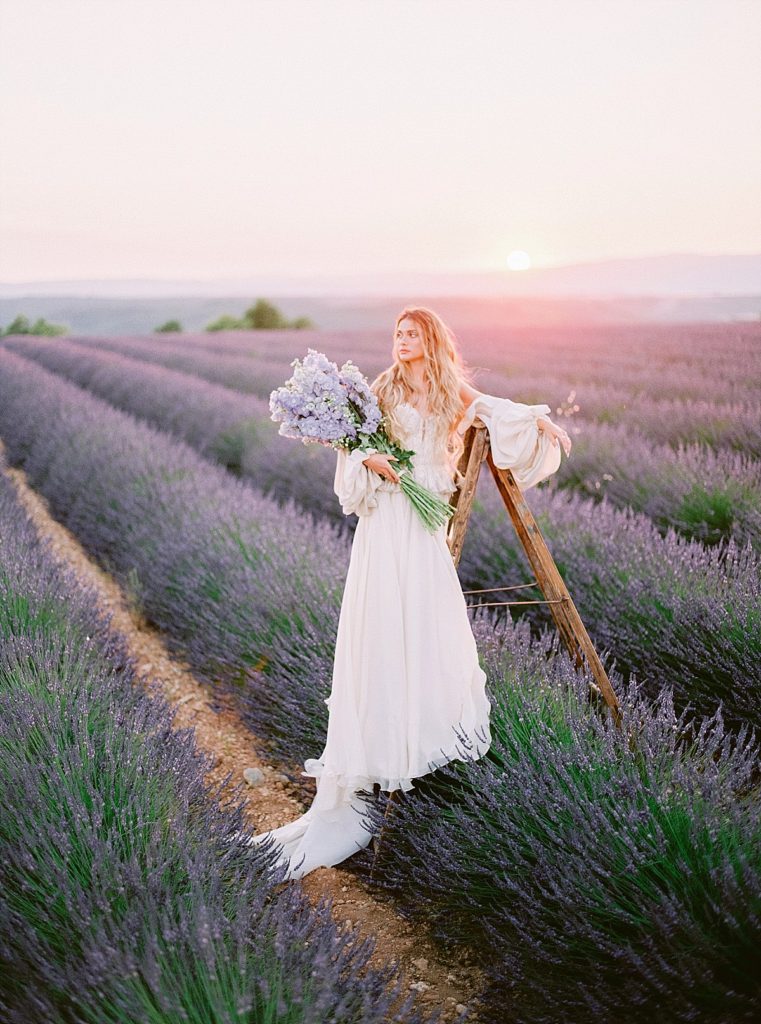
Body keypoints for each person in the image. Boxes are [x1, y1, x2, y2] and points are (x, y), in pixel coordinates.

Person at [242, 306, 571, 880]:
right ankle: (375, 753)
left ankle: (422, 728)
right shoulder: (380, 386)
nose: (402, 342)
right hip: (387, 517)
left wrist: (542, 422)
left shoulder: (448, 387)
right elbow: (351, 443)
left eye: (412, 334)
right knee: (382, 620)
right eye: (398, 333)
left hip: (424, 519)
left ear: (430, 341)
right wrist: (368, 456)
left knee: (427, 619)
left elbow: (488, 408)